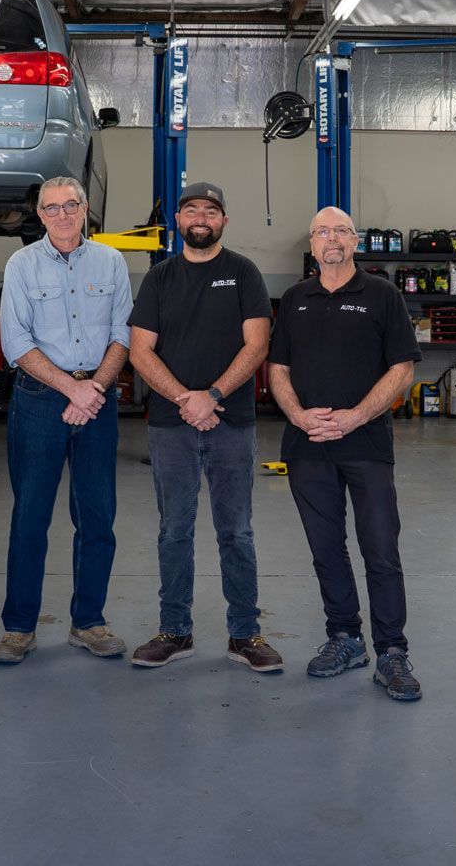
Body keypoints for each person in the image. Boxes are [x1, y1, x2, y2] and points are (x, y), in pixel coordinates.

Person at [266, 206, 424, 702]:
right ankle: (345, 639)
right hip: (307, 445)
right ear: (311, 245)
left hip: (366, 444)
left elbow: (402, 369)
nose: (330, 239)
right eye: (320, 232)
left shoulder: (382, 295)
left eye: (339, 231)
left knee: (380, 549)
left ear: (354, 241)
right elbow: (278, 369)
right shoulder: (295, 299)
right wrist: (297, 415)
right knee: (326, 549)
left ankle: (392, 652)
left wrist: (356, 416)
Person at [126, 182, 282, 672]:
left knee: (236, 532)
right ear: (177, 220)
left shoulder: (242, 273)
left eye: (210, 211)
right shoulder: (159, 279)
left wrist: (211, 396)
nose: (200, 217)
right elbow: (139, 350)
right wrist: (184, 399)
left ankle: (245, 635)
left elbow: (256, 345)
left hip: (231, 423)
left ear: (224, 221)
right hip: (172, 426)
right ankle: (175, 630)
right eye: (191, 209)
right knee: (174, 531)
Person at [0, 175, 134, 664]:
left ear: (86, 207)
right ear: (40, 215)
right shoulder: (22, 265)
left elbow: (123, 335)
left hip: (98, 399)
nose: (62, 215)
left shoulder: (111, 262)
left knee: (97, 517)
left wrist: (92, 389)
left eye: (71, 205)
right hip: (39, 400)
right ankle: (19, 628)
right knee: (30, 517)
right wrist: (71, 388)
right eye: (51, 208)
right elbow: (16, 343)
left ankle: (89, 622)